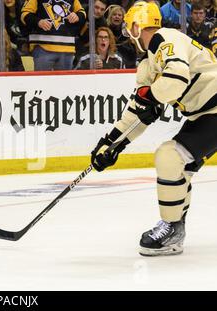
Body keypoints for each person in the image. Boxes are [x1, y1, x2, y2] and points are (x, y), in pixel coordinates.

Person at [90, 1, 217, 256]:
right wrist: (111, 144)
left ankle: (171, 227)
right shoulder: (149, 63)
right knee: (180, 168)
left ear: (137, 26)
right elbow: (138, 111)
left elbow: (177, 77)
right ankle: (175, 227)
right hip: (205, 115)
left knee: (169, 156)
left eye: (129, 27)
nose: (127, 33)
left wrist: (154, 97)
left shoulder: (165, 38)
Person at [21, 0, 86, 70]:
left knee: (64, 80)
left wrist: (77, 16)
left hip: (67, 49)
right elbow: (24, 14)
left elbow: (82, 13)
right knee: (42, 80)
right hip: (42, 47)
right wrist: (38, 22)